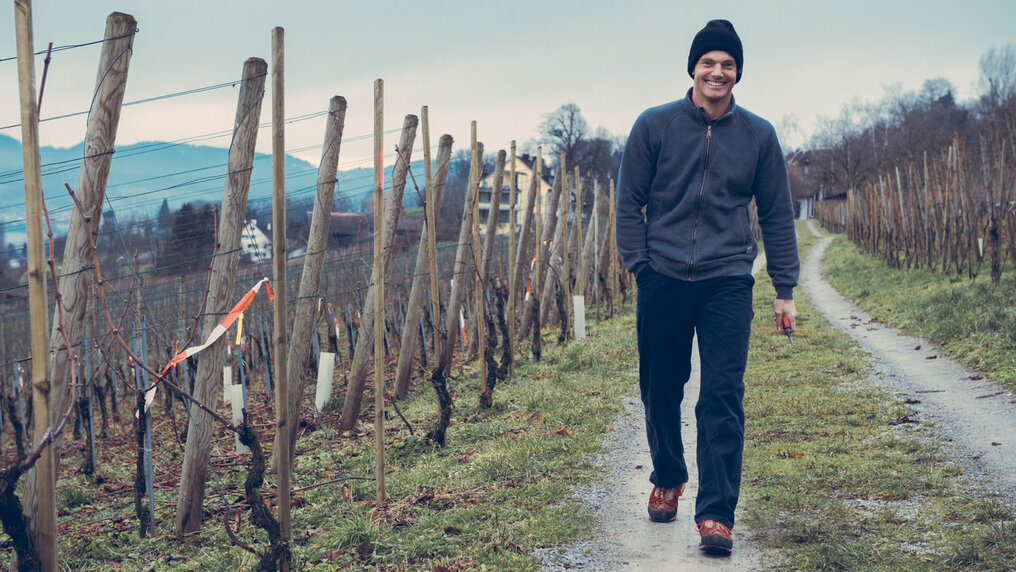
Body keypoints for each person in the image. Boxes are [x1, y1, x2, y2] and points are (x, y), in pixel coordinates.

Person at [615, 19, 800, 554]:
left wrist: (784, 288)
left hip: (727, 281)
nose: (717, 72)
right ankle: (669, 475)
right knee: (660, 388)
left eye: (728, 64)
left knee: (722, 395)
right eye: (708, 62)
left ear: (738, 72)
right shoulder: (655, 125)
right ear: (693, 68)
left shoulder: (758, 136)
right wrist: (641, 266)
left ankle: (716, 513)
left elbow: (778, 214)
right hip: (663, 277)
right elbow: (628, 202)